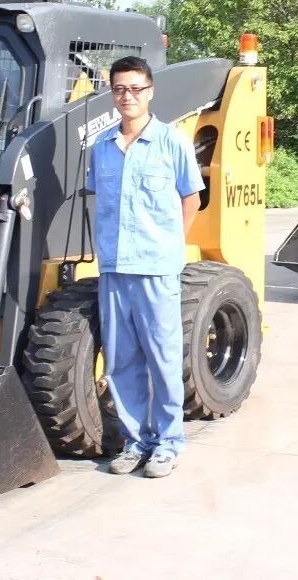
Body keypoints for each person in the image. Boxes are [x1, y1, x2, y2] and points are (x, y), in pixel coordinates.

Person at [86, 56, 204, 478]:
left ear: (150, 91)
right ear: (112, 93)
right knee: (121, 361)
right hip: (115, 268)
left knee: (163, 358)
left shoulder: (173, 142)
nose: (128, 96)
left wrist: (172, 246)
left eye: (136, 88)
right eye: (120, 89)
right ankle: (136, 442)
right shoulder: (101, 147)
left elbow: (192, 198)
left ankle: (168, 444)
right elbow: (100, 202)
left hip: (157, 268)